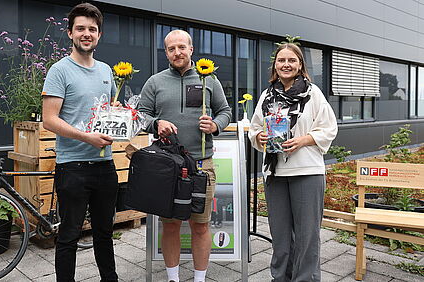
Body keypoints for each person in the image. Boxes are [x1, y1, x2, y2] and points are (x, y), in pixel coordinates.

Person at [138, 29, 231, 282]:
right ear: (166, 52)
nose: (177, 52)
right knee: (170, 225)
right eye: (171, 49)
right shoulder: (155, 82)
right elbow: (140, 114)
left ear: (191, 49)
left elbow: (225, 111)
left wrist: (215, 125)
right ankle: (173, 278)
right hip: (168, 167)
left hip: (201, 164)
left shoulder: (209, 80)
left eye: (181, 47)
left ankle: (199, 279)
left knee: (200, 226)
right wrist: (155, 123)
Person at [42, 3, 119, 282]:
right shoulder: (59, 70)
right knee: (69, 235)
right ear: (70, 33)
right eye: (81, 29)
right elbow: (49, 120)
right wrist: (86, 137)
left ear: (99, 35)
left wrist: (118, 112)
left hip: (105, 164)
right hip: (72, 166)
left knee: (104, 233)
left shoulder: (106, 71)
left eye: (92, 29)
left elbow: (107, 108)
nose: (87, 34)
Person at [248, 43, 338, 281]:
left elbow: (329, 128)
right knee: (280, 235)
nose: (286, 64)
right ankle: (280, 278)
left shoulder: (312, 94)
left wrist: (304, 140)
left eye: (291, 60)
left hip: (307, 171)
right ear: (275, 66)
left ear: (300, 65)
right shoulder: (267, 96)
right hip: (275, 173)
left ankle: (305, 278)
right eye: (281, 60)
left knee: (307, 236)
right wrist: (259, 136)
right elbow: (254, 128)